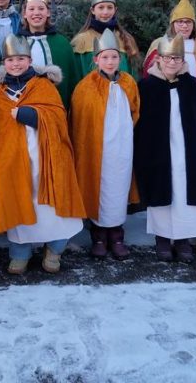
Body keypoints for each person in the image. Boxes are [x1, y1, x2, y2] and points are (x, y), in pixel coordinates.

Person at [0, 34, 86, 275]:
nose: (16, 64)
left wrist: (30, 115)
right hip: (13, 159)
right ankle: (20, 252)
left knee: (51, 209)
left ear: (30, 60)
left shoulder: (44, 85)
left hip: (47, 156)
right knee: (19, 203)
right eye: (11, 60)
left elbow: (58, 117)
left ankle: (54, 250)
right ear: (4, 63)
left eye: (21, 59)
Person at [134, 34, 196, 264]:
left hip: (187, 150)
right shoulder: (147, 86)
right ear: (158, 59)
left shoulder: (192, 85)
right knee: (161, 190)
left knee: (183, 191)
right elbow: (141, 122)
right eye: (167, 58)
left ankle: (183, 240)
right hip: (158, 149)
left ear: (182, 61)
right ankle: (162, 238)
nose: (171, 62)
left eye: (176, 58)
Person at [70, 29, 140, 260]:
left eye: (114, 57)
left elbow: (135, 111)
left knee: (118, 187)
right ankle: (98, 236)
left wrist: (124, 133)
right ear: (96, 59)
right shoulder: (85, 86)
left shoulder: (129, 83)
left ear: (120, 59)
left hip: (122, 147)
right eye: (105, 57)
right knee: (98, 186)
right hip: (95, 148)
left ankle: (117, 236)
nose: (110, 61)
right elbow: (79, 122)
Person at [17, 0, 78, 107]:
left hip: (55, 106)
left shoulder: (62, 43)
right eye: (31, 9)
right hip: (23, 106)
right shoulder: (16, 42)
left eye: (41, 8)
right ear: (25, 14)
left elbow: (72, 80)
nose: (36, 13)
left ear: (48, 12)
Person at [70, 0, 140, 77]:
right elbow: (76, 74)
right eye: (101, 7)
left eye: (110, 7)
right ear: (93, 10)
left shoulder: (126, 39)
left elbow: (134, 75)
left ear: (115, 10)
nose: (105, 12)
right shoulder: (81, 41)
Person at [143, 0, 196, 80]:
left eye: (188, 22)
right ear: (173, 24)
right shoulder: (160, 43)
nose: (184, 26)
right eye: (180, 22)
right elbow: (148, 72)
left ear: (193, 25)